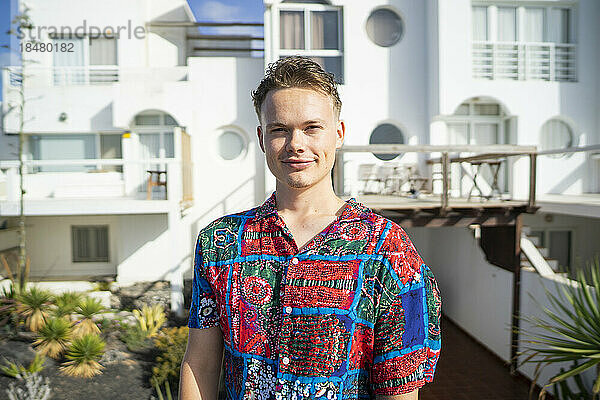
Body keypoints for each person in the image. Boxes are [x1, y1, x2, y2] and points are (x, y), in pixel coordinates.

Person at [179, 56, 441, 400]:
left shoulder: (387, 248)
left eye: (311, 128)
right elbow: (201, 363)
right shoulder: (220, 242)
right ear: (261, 138)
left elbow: (399, 385)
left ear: (339, 134)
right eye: (279, 130)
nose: (296, 144)